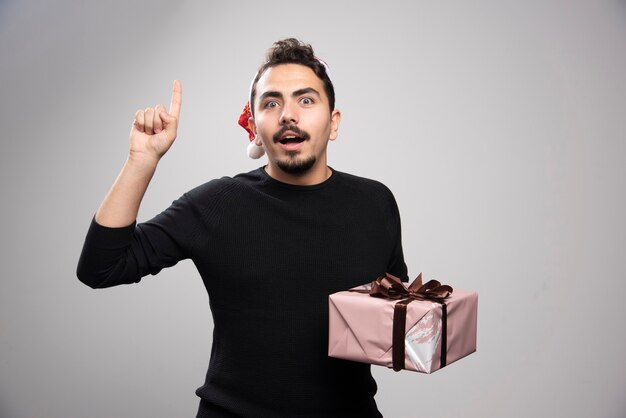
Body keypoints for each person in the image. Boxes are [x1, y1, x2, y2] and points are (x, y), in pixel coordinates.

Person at [77, 38, 408, 418]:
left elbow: (391, 311)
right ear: (253, 127)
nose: (288, 115)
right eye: (271, 103)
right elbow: (99, 268)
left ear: (333, 123)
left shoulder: (375, 202)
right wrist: (141, 160)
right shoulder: (218, 203)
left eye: (306, 100)